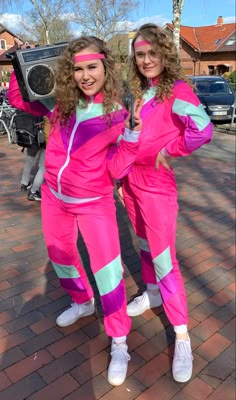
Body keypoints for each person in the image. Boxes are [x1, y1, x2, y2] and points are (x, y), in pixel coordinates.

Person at [8, 36, 143, 386]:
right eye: (78, 68)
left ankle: (119, 341)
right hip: (54, 197)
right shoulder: (60, 103)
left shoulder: (117, 112)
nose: (85, 75)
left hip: (93, 203)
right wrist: (16, 67)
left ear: (105, 67)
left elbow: (117, 169)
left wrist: (130, 137)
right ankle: (82, 302)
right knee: (61, 257)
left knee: (108, 272)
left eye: (92, 67)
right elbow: (18, 98)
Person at [117, 23, 213, 383]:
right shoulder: (139, 92)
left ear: (164, 54)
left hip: (157, 185)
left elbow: (202, 129)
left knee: (164, 258)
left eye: (152, 53)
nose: (146, 60)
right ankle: (152, 293)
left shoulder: (179, 90)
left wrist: (168, 150)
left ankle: (183, 335)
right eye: (140, 55)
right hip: (131, 181)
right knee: (142, 242)